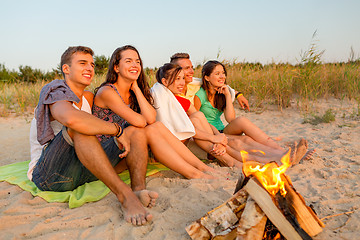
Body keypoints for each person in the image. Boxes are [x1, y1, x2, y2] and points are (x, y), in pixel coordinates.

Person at [28, 46, 156, 226]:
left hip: (83, 169)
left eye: (92, 65)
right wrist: (117, 130)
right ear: (66, 69)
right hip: (51, 174)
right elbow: (72, 119)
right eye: (82, 63)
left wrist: (122, 134)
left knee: (136, 131)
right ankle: (125, 196)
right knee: (81, 128)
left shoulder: (88, 97)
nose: (89, 68)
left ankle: (138, 190)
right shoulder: (56, 89)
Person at [92, 45, 215, 180]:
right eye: (128, 61)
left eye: (137, 61)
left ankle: (201, 167)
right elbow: (140, 121)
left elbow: (151, 118)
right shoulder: (108, 92)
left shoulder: (133, 92)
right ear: (116, 68)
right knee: (151, 129)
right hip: (107, 156)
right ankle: (193, 173)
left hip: (128, 151)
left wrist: (137, 89)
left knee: (156, 126)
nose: (134, 65)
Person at [153, 63, 308, 168]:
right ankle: (273, 160)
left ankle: (282, 154)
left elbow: (216, 122)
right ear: (165, 82)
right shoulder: (164, 100)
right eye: (177, 78)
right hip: (193, 142)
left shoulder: (185, 100)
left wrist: (218, 136)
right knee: (237, 143)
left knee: (244, 139)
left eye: (182, 78)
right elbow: (188, 128)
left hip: (207, 135)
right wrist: (215, 138)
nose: (182, 82)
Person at [194, 60, 314, 164]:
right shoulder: (199, 95)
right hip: (210, 133)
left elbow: (231, 119)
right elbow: (195, 119)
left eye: (223, 73)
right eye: (217, 74)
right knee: (246, 140)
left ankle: (283, 152)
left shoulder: (223, 92)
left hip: (222, 129)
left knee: (241, 120)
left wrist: (227, 95)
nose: (222, 77)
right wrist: (215, 136)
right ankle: (281, 157)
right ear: (207, 77)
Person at [170, 53, 250, 111]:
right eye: (187, 68)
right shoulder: (169, 93)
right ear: (175, 71)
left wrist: (238, 94)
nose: (192, 71)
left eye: (192, 67)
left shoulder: (196, 85)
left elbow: (216, 84)